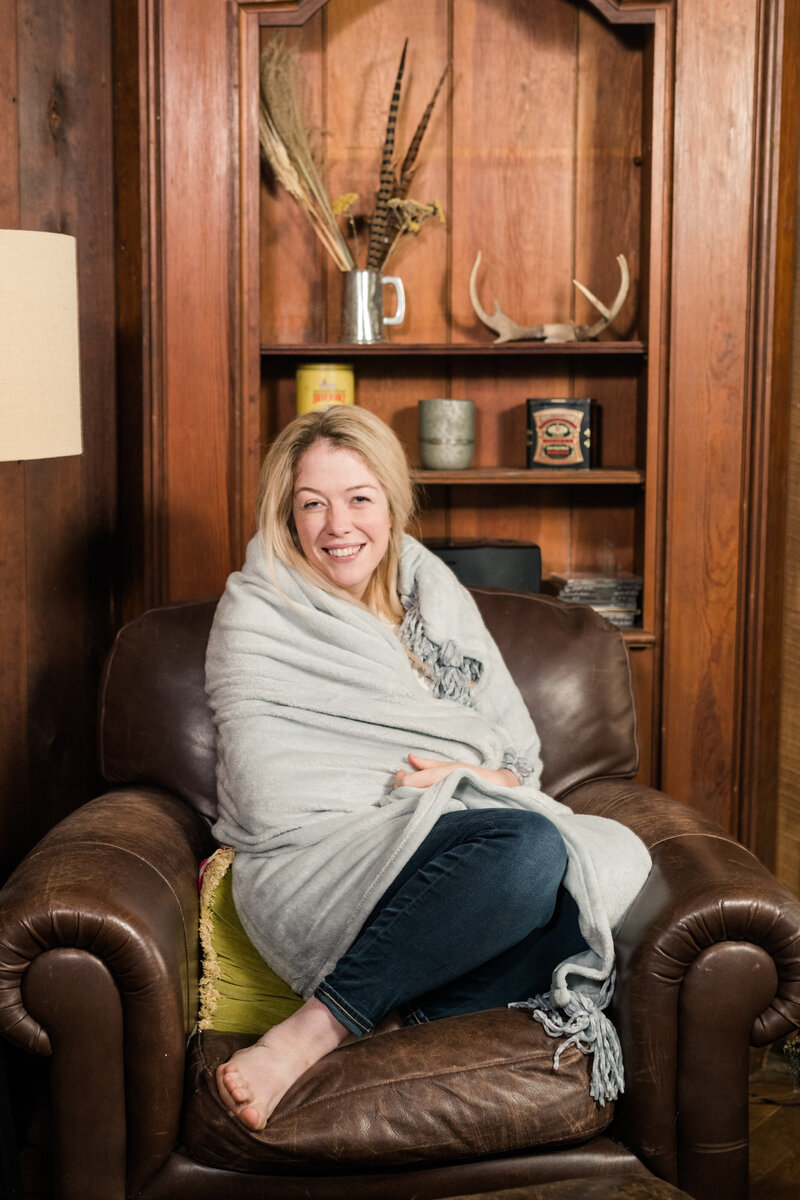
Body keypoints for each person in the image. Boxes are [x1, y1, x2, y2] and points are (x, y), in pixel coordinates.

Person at [205, 405, 651, 1132]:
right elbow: (269, 790)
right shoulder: (260, 610)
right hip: (319, 860)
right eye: (311, 505)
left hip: (448, 851)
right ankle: (309, 1033)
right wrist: (435, 788)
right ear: (287, 519)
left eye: (358, 499)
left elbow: (516, 763)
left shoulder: (431, 593)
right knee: (527, 851)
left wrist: (457, 781)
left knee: (597, 896)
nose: (337, 526)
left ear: (391, 503)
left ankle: (391, 1013)